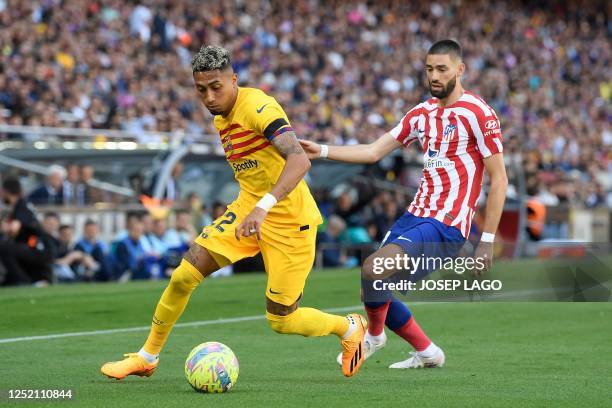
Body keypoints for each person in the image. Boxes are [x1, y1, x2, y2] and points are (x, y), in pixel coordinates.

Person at [101, 45, 367, 381]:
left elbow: (299, 160)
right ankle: (147, 357)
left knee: (282, 319)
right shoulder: (219, 116)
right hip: (247, 210)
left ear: (234, 81)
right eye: (201, 90)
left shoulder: (258, 107)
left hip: (289, 220)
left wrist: (263, 208)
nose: (209, 97)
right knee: (184, 275)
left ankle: (347, 327)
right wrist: (253, 208)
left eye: (216, 87)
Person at [300, 40, 508, 369]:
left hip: (447, 224)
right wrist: (322, 151)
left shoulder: (478, 113)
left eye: (442, 69)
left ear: (460, 69)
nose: (435, 76)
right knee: (374, 288)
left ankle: (374, 337)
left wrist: (487, 241)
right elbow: (372, 151)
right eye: (429, 69)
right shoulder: (421, 114)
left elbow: (499, 179)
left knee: (373, 268)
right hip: (414, 216)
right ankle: (428, 353)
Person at [0, 178, 54, 285]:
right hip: (33, 246)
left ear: (5, 191)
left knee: (4, 247)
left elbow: (13, 229)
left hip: (38, 247)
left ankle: (22, 281)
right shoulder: (19, 206)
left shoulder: (21, 205)